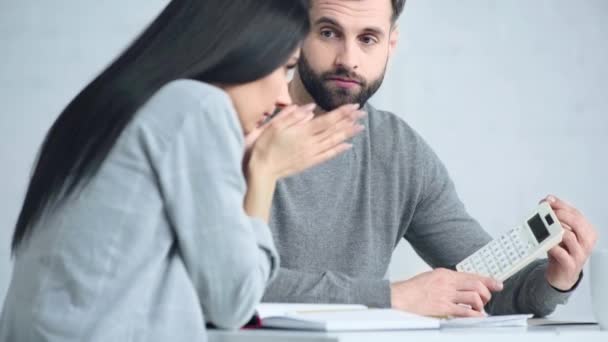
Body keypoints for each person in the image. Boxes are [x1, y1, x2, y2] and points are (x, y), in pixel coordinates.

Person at [0, 0, 366, 341]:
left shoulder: (109, 105)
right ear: (241, 48)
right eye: (284, 67)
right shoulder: (196, 106)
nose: (284, 97)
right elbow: (233, 302)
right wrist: (264, 171)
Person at [253, 0, 598, 318]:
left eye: (368, 39)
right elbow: (233, 282)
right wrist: (392, 298)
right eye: (329, 33)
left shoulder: (400, 152)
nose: (349, 59)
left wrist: (556, 278)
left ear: (391, 43)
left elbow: (489, 290)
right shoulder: (238, 126)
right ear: (296, 33)